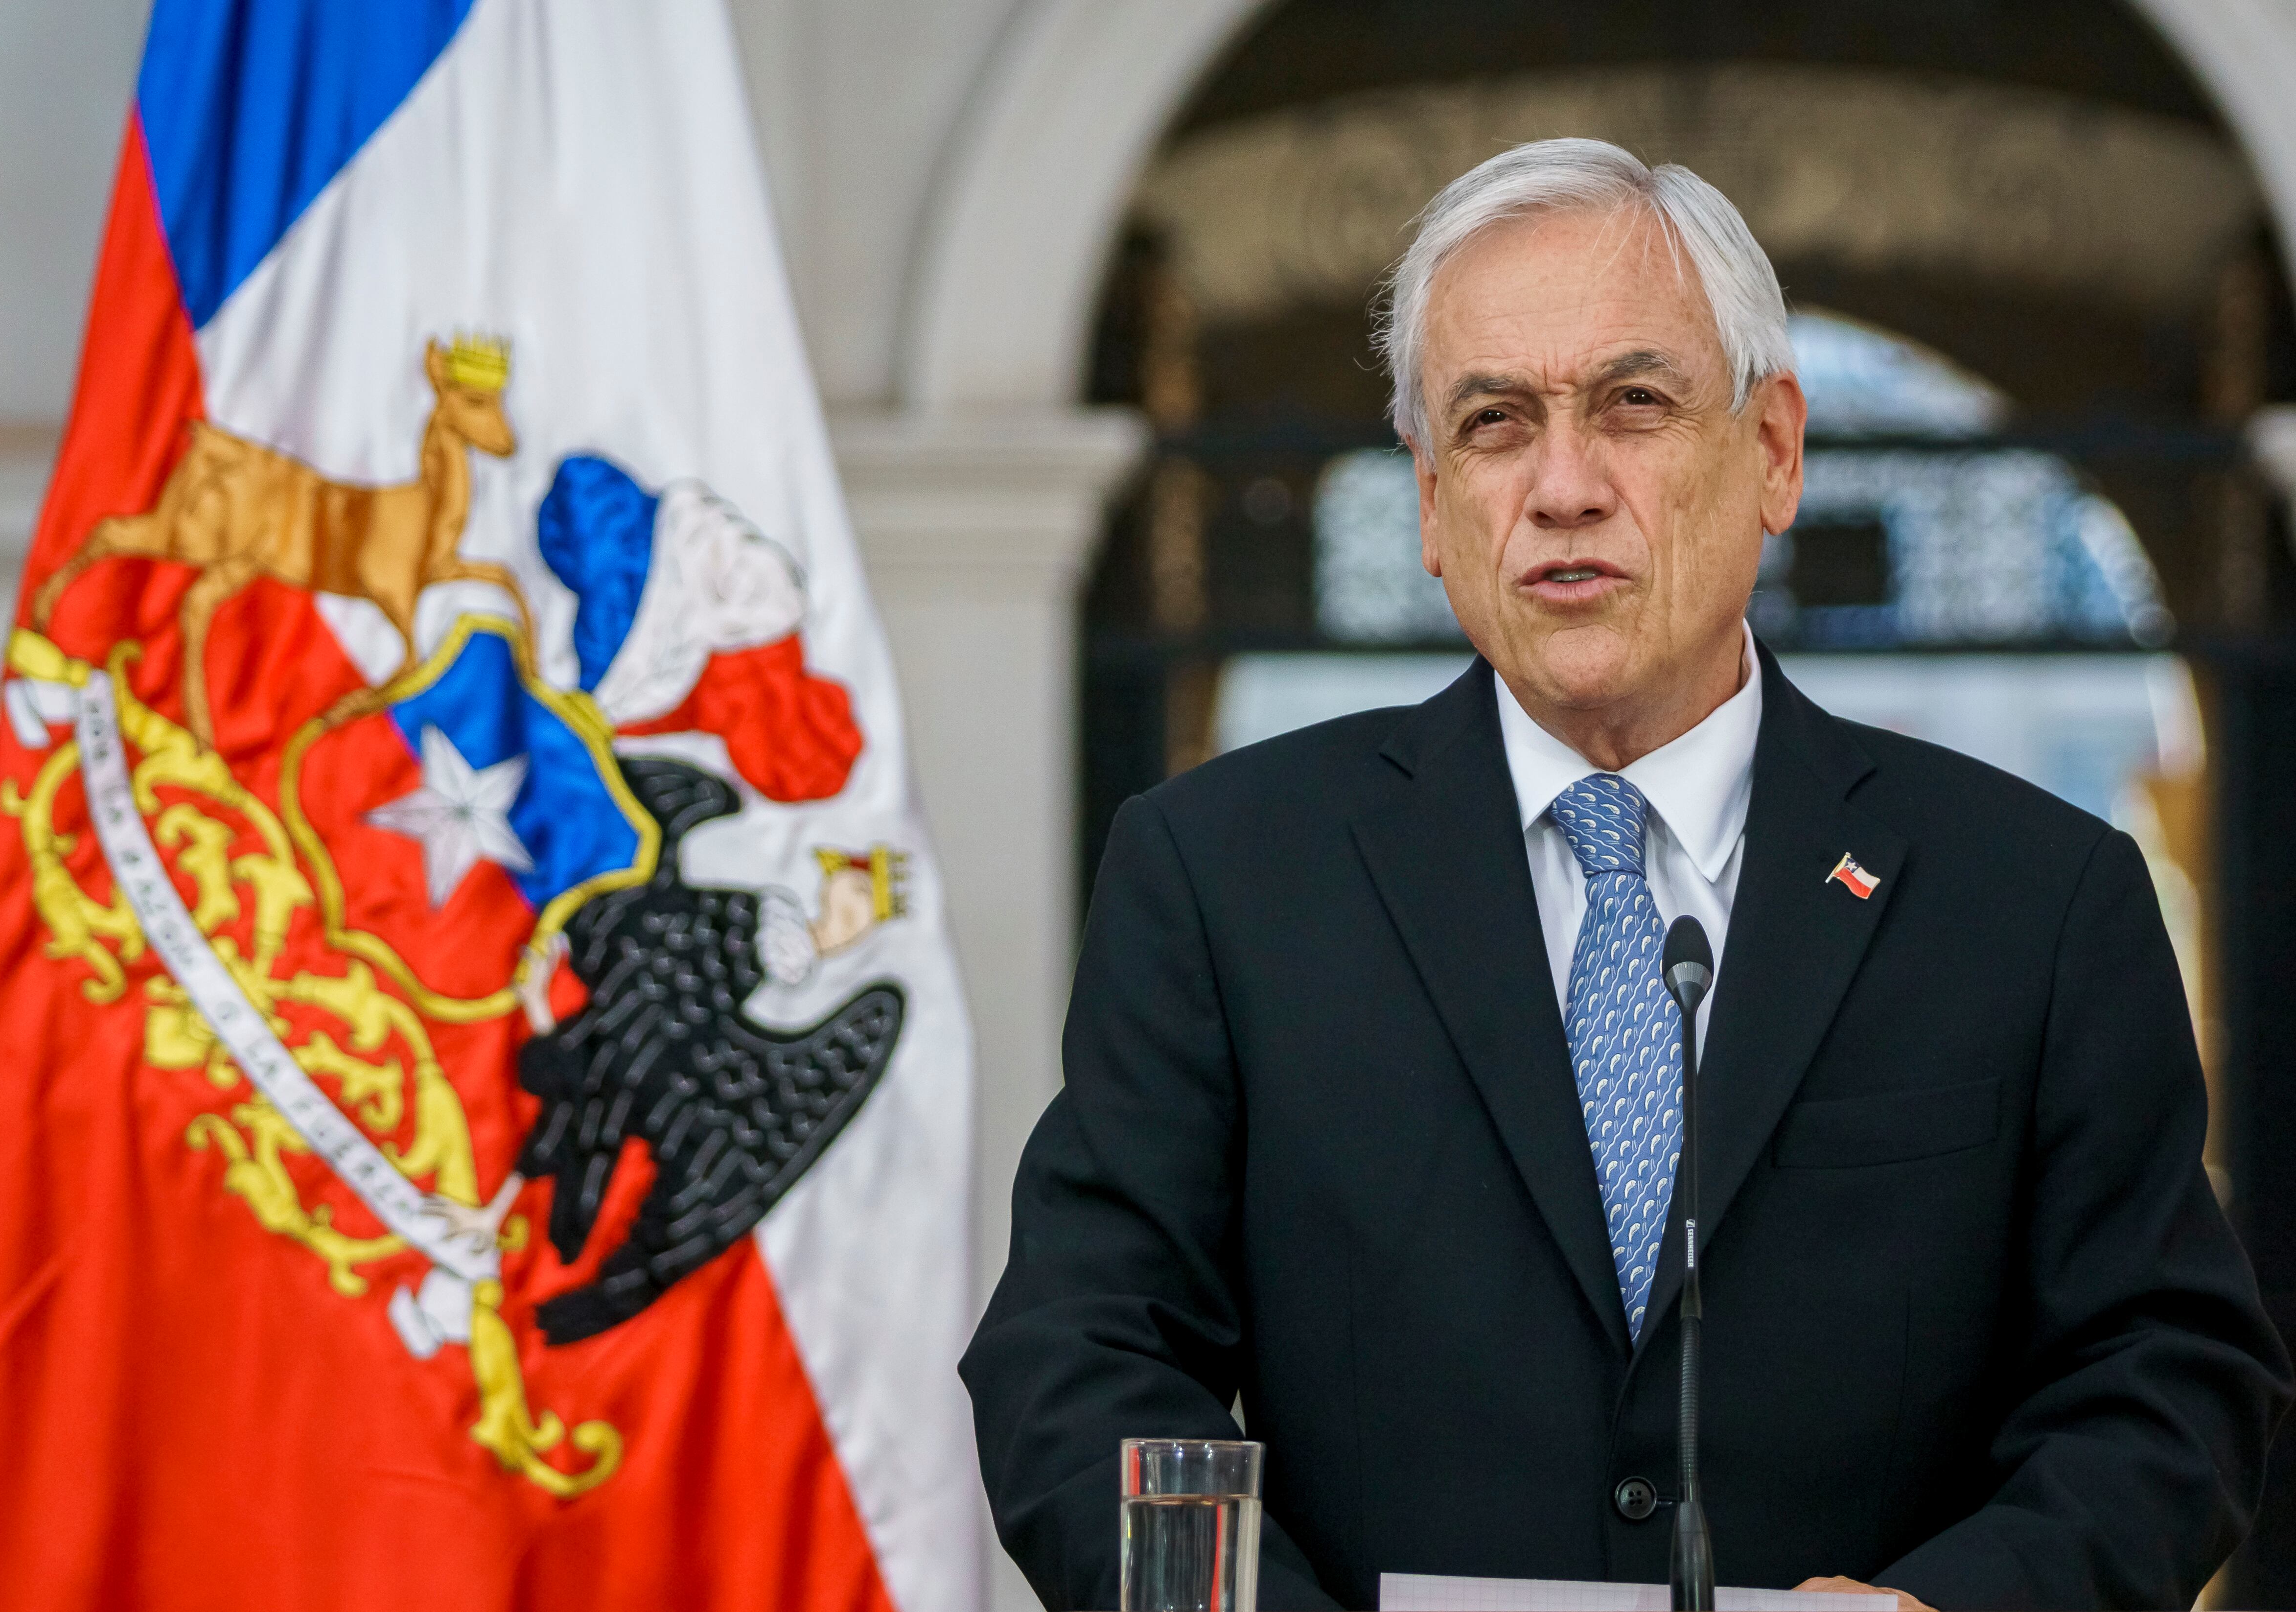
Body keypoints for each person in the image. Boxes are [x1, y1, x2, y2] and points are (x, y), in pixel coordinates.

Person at [960, 139, 2291, 1611]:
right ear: (1427, 503)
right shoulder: (1223, 878)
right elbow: (1076, 1361)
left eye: (1632, 405)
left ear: (1773, 453)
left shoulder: (2033, 899)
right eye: (1491, 423)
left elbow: (2166, 1377)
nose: (1562, 487)